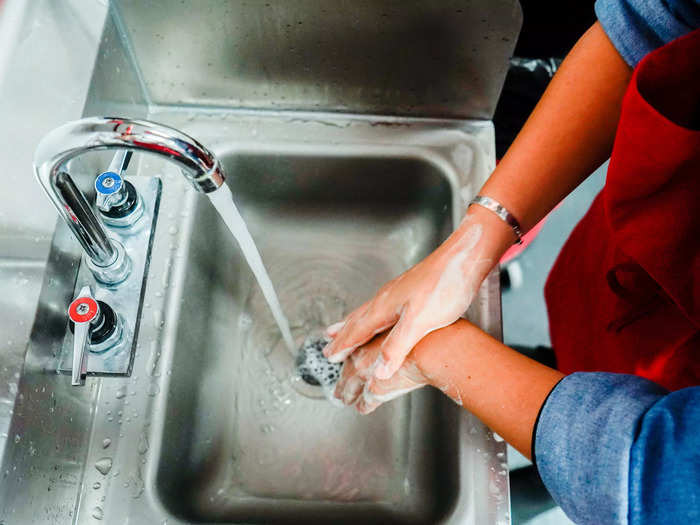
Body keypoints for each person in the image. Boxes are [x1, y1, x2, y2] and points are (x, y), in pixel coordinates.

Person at [322, 0, 700, 523]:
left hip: (674, 394)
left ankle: (545, 473)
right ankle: (555, 368)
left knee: (609, 405)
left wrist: (440, 350)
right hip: (651, 257)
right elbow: (649, 22)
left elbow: (655, 479)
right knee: (584, 341)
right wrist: (471, 246)